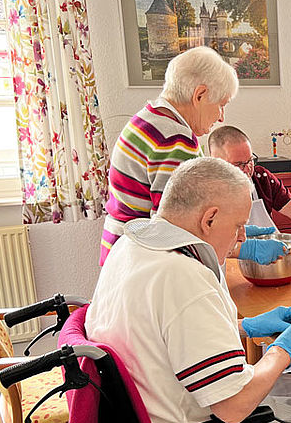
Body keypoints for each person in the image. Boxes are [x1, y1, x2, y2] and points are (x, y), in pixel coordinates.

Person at [87, 157, 291, 423]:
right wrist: (283, 351)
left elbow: (166, 333)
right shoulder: (182, 276)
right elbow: (234, 407)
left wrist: (244, 327)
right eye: (239, 225)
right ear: (209, 219)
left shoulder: (129, 247)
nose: (241, 237)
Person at [100, 47, 237, 265]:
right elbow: (175, 228)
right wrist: (236, 243)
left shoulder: (147, 118)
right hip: (142, 260)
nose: (221, 117)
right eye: (221, 105)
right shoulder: (176, 140)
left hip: (120, 250)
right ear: (199, 95)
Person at [208, 125, 291, 229]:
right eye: (239, 164)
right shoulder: (205, 190)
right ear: (217, 163)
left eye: (250, 160)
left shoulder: (262, 178)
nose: (248, 169)